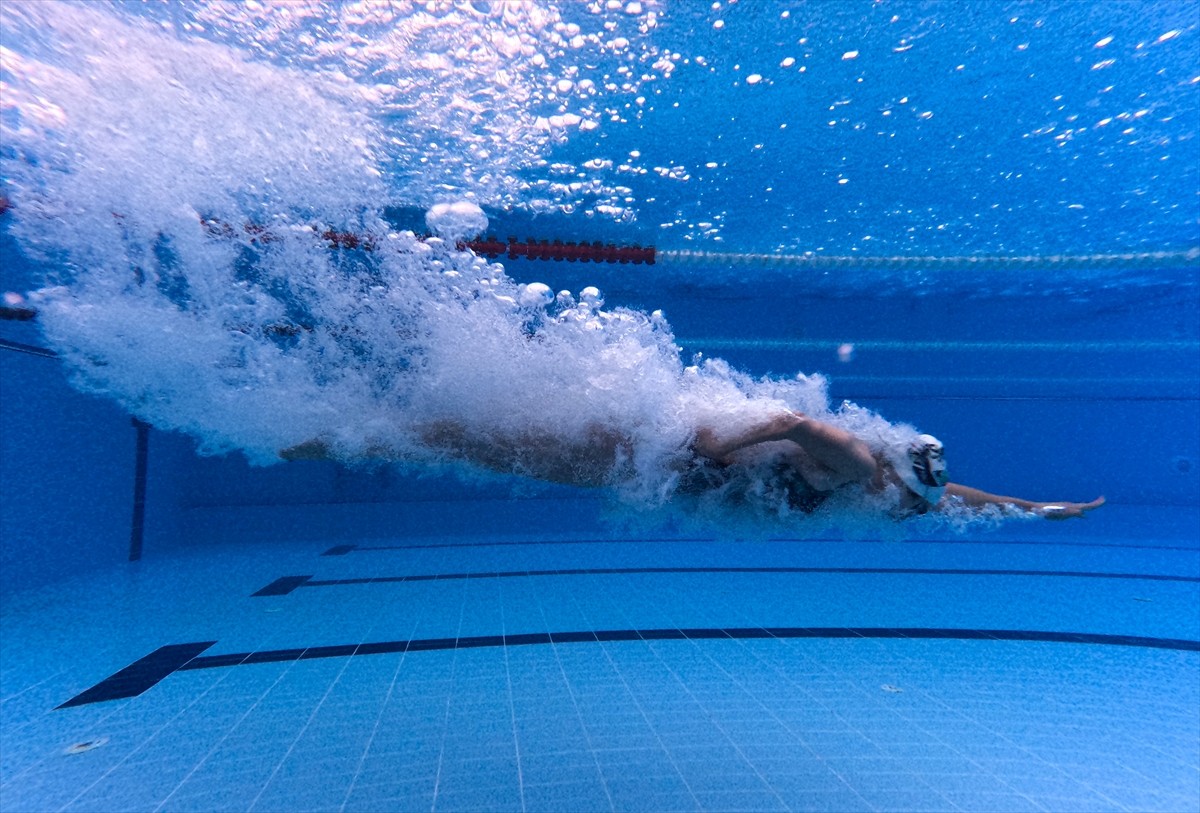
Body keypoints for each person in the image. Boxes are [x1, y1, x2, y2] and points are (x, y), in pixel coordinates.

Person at [281, 408, 1104, 521]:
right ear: (896, 467)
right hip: (667, 451)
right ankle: (357, 431)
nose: (913, 506)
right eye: (913, 493)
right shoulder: (859, 462)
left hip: (677, 469)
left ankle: (368, 429)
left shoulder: (896, 491)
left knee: (512, 450)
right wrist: (719, 446)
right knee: (502, 445)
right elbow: (794, 421)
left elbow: (963, 497)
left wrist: (1037, 508)